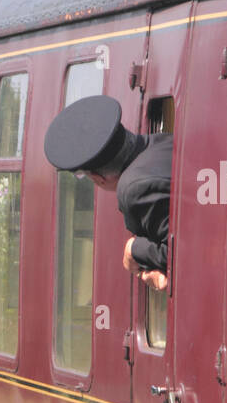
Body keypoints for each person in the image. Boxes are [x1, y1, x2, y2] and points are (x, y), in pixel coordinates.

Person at [43, 95, 171, 291]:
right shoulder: (163, 141)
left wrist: (133, 249)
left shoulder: (134, 189)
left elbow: (183, 252)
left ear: (97, 178)